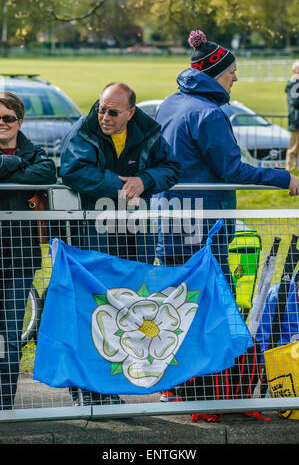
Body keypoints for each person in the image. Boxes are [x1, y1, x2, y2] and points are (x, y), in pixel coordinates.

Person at [60, 82, 181, 405]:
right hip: (93, 236)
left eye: (113, 112)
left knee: (122, 316)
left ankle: (108, 388)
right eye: (100, 108)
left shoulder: (149, 132)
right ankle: (87, 390)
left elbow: (171, 168)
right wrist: (121, 186)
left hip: (136, 237)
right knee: (92, 311)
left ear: (130, 113)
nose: (103, 116)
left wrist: (145, 180)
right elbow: (72, 171)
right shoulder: (83, 132)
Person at [154, 29, 299, 297]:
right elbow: (232, 170)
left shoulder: (171, 103)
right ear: (214, 72)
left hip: (167, 217)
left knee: (175, 306)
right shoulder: (207, 113)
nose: (236, 77)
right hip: (203, 228)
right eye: (231, 71)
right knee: (221, 307)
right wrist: (285, 178)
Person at [0, 91, 56, 410]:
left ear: (20, 121)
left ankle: (4, 402)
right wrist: (15, 164)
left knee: (9, 335)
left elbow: (47, 173)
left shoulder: (34, 152)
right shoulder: (26, 157)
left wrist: (9, 168)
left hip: (19, 260)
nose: (2, 124)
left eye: (8, 118)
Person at [285, 59, 299, 171]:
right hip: (296, 120)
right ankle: (291, 172)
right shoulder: (294, 83)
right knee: (293, 148)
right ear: (294, 70)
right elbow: (295, 102)